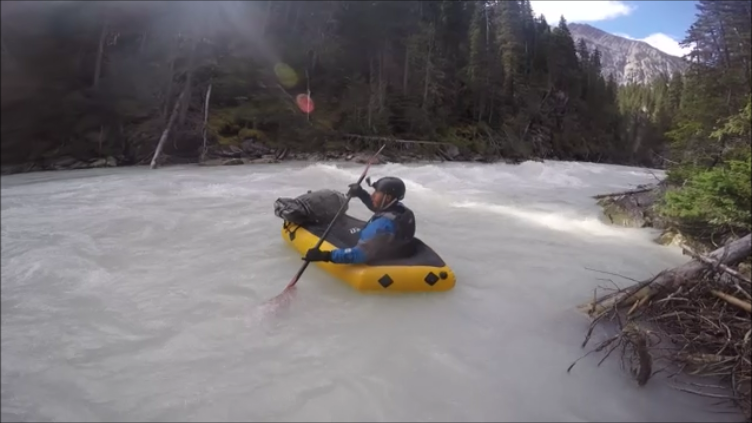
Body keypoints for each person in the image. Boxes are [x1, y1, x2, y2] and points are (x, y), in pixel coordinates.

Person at [303, 176, 416, 264]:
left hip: (379, 256)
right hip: (396, 250)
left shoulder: (382, 226)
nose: (372, 195)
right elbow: (379, 209)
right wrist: (361, 194)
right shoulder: (401, 210)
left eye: (376, 193)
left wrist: (326, 256)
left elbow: (360, 254)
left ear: (388, 198)